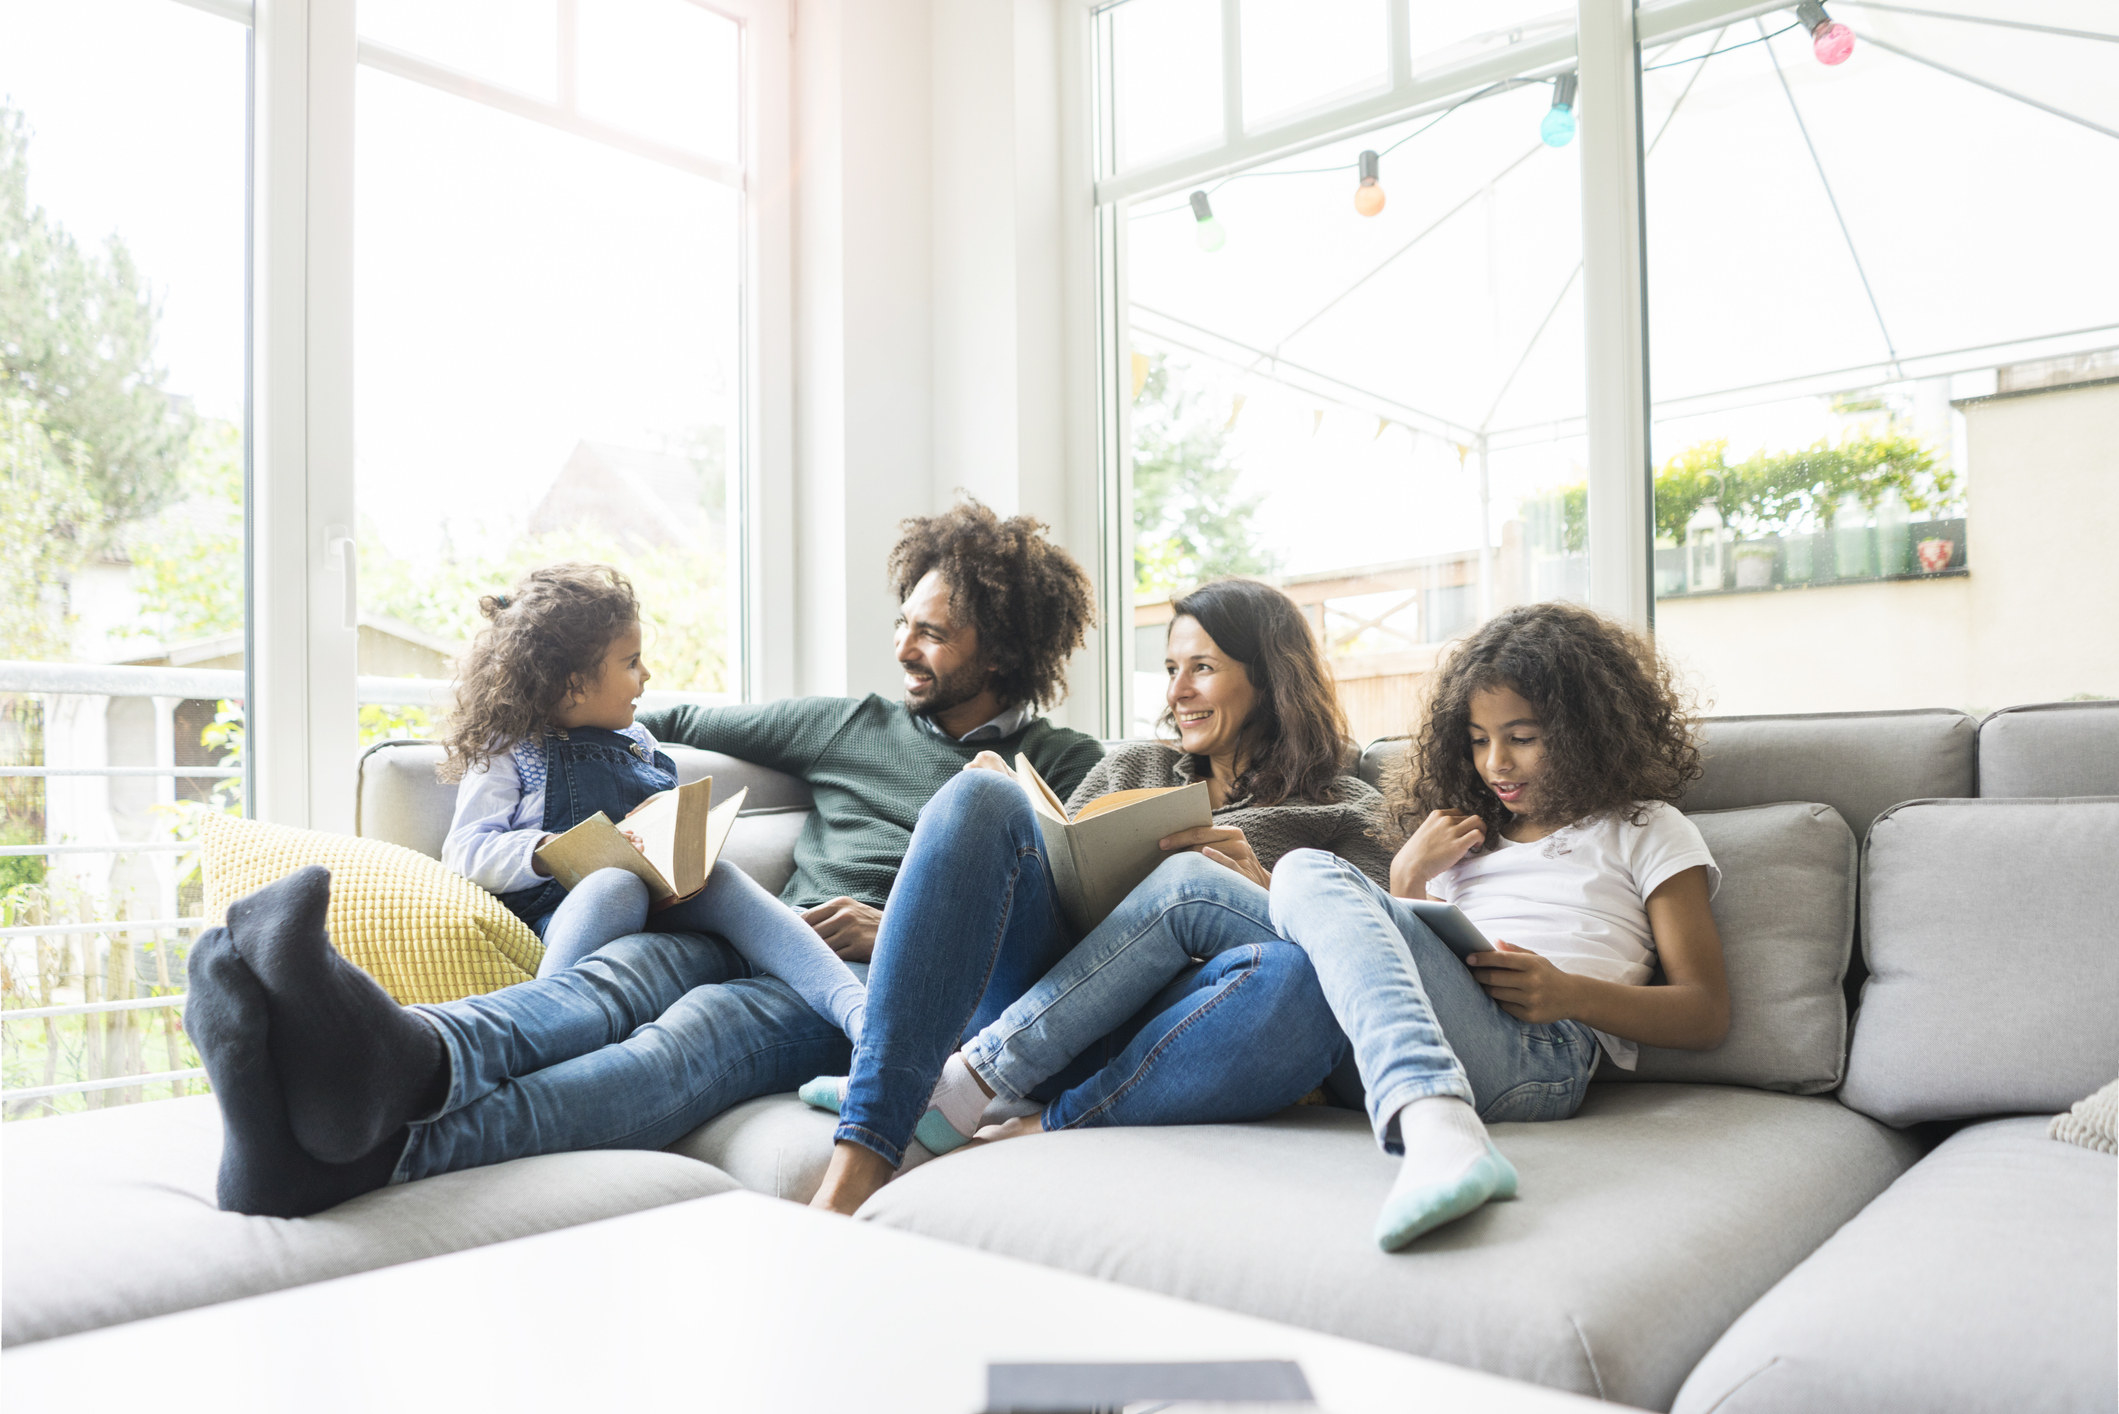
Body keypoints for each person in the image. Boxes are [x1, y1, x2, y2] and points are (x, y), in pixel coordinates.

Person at [184, 500, 1106, 1218]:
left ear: (1006, 652)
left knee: (679, 1045)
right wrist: (543, 695)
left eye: (933, 633)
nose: (901, 645)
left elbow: (1068, 934)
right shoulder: (851, 723)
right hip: (745, 933)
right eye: (904, 620)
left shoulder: (1063, 766)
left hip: (861, 990)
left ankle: (381, 1152)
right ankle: (407, 1055)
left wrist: (904, 924)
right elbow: (668, 722)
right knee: (600, 988)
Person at [799, 577, 1394, 1214]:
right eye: (1171, 668)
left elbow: (1373, 962)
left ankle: (1031, 1115)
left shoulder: (1348, 810)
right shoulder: (1133, 767)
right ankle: (860, 1160)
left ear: (1271, 679)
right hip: (1050, 998)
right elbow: (1060, 864)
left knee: (1298, 980)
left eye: (1203, 668)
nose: (1177, 691)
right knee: (980, 797)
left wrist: (1264, 889)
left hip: (1192, 1039)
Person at [1268, 600, 1729, 1250]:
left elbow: (1705, 1014)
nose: (1495, 765)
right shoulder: (1466, 841)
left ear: (1586, 731)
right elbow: (1388, 970)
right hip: (1424, 1039)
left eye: (1521, 737)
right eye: (1478, 740)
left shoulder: (1644, 828)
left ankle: (1440, 1134)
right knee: (1237, 895)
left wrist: (1569, 994)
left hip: (1539, 1055)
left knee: (1304, 871)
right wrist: (1408, 879)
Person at [437, 562, 865, 1067]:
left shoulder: (639, 742)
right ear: (574, 684)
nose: (646, 675)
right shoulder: (510, 747)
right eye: (631, 662)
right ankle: (543, 1037)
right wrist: (546, 851)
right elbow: (464, 850)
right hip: (562, 910)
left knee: (722, 879)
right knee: (613, 884)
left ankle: (859, 1013)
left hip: (658, 900)